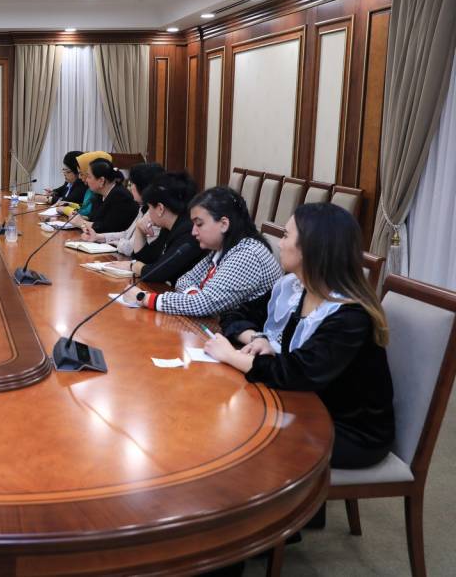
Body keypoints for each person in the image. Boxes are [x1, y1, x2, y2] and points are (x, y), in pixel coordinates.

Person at [204, 202, 394, 471]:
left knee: (242, 436)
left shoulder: (350, 315)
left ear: (312, 248)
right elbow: (235, 315)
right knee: (224, 413)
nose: (280, 244)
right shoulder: (296, 288)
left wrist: (231, 356)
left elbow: (298, 373)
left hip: (348, 430)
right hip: (303, 401)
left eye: (285, 236)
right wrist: (258, 337)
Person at [127, 187, 282, 315]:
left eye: (199, 224)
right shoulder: (222, 248)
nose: (193, 232)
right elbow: (185, 280)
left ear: (224, 224)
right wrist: (195, 297)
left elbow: (204, 304)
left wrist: (145, 298)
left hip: (247, 340)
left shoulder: (248, 254)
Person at [102, 171, 203, 282]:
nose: (148, 213)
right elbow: (147, 259)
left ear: (160, 208)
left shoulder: (188, 232)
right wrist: (139, 230)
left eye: (149, 207)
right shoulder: (168, 227)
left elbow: (158, 273)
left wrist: (132, 266)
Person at [81, 162, 164, 255]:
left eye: (132, 184)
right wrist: (98, 237)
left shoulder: (155, 214)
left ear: (143, 187)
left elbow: (131, 249)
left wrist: (115, 243)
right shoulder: (144, 208)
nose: (130, 188)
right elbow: (127, 234)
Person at [78, 158, 137, 234]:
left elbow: (109, 228)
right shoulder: (99, 194)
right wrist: (81, 218)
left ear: (101, 180)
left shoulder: (121, 196)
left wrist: (81, 223)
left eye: (89, 176)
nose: (86, 180)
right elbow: (95, 219)